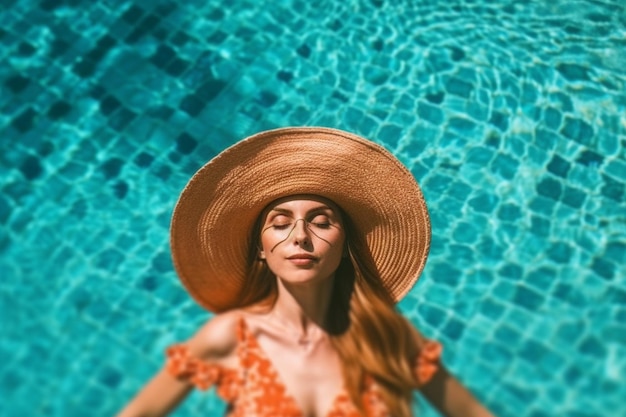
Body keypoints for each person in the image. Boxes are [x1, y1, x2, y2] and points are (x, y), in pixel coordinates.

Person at [117, 127, 493, 417]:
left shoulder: (385, 336)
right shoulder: (230, 337)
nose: (300, 237)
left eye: (321, 222)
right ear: (260, 250)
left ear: (346, 247)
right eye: (280, 223)